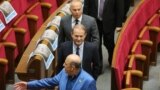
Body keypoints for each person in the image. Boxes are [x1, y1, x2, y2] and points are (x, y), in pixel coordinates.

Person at [14, 54, 97, 90]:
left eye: (66, 64)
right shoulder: (64, 72)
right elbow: (49, 82)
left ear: (72, 68)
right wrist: (28, 85)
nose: (63, 65)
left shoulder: (88, 81)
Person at [83, 0, 124, 66]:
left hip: (109, 22)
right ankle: (99, 66)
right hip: (95, 22)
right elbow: (86, 7)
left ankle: (112, 60)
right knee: (96, 44)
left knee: (109, 43)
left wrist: (119, 24)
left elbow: (120, 8)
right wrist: (85, 23)